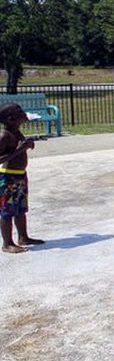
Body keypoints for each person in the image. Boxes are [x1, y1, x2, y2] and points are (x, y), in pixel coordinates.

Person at [0, 103, 44, 253]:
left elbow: (21, 147)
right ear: (10, 119)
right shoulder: (4, 136)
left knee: (20, 208)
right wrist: (20, 150)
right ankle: (7, 243)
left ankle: (23, 237)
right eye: (19, 113)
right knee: (7, 210)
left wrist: (27, 145)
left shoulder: (16, 132)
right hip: (8, 177)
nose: (23, 115)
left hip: (19, 176)